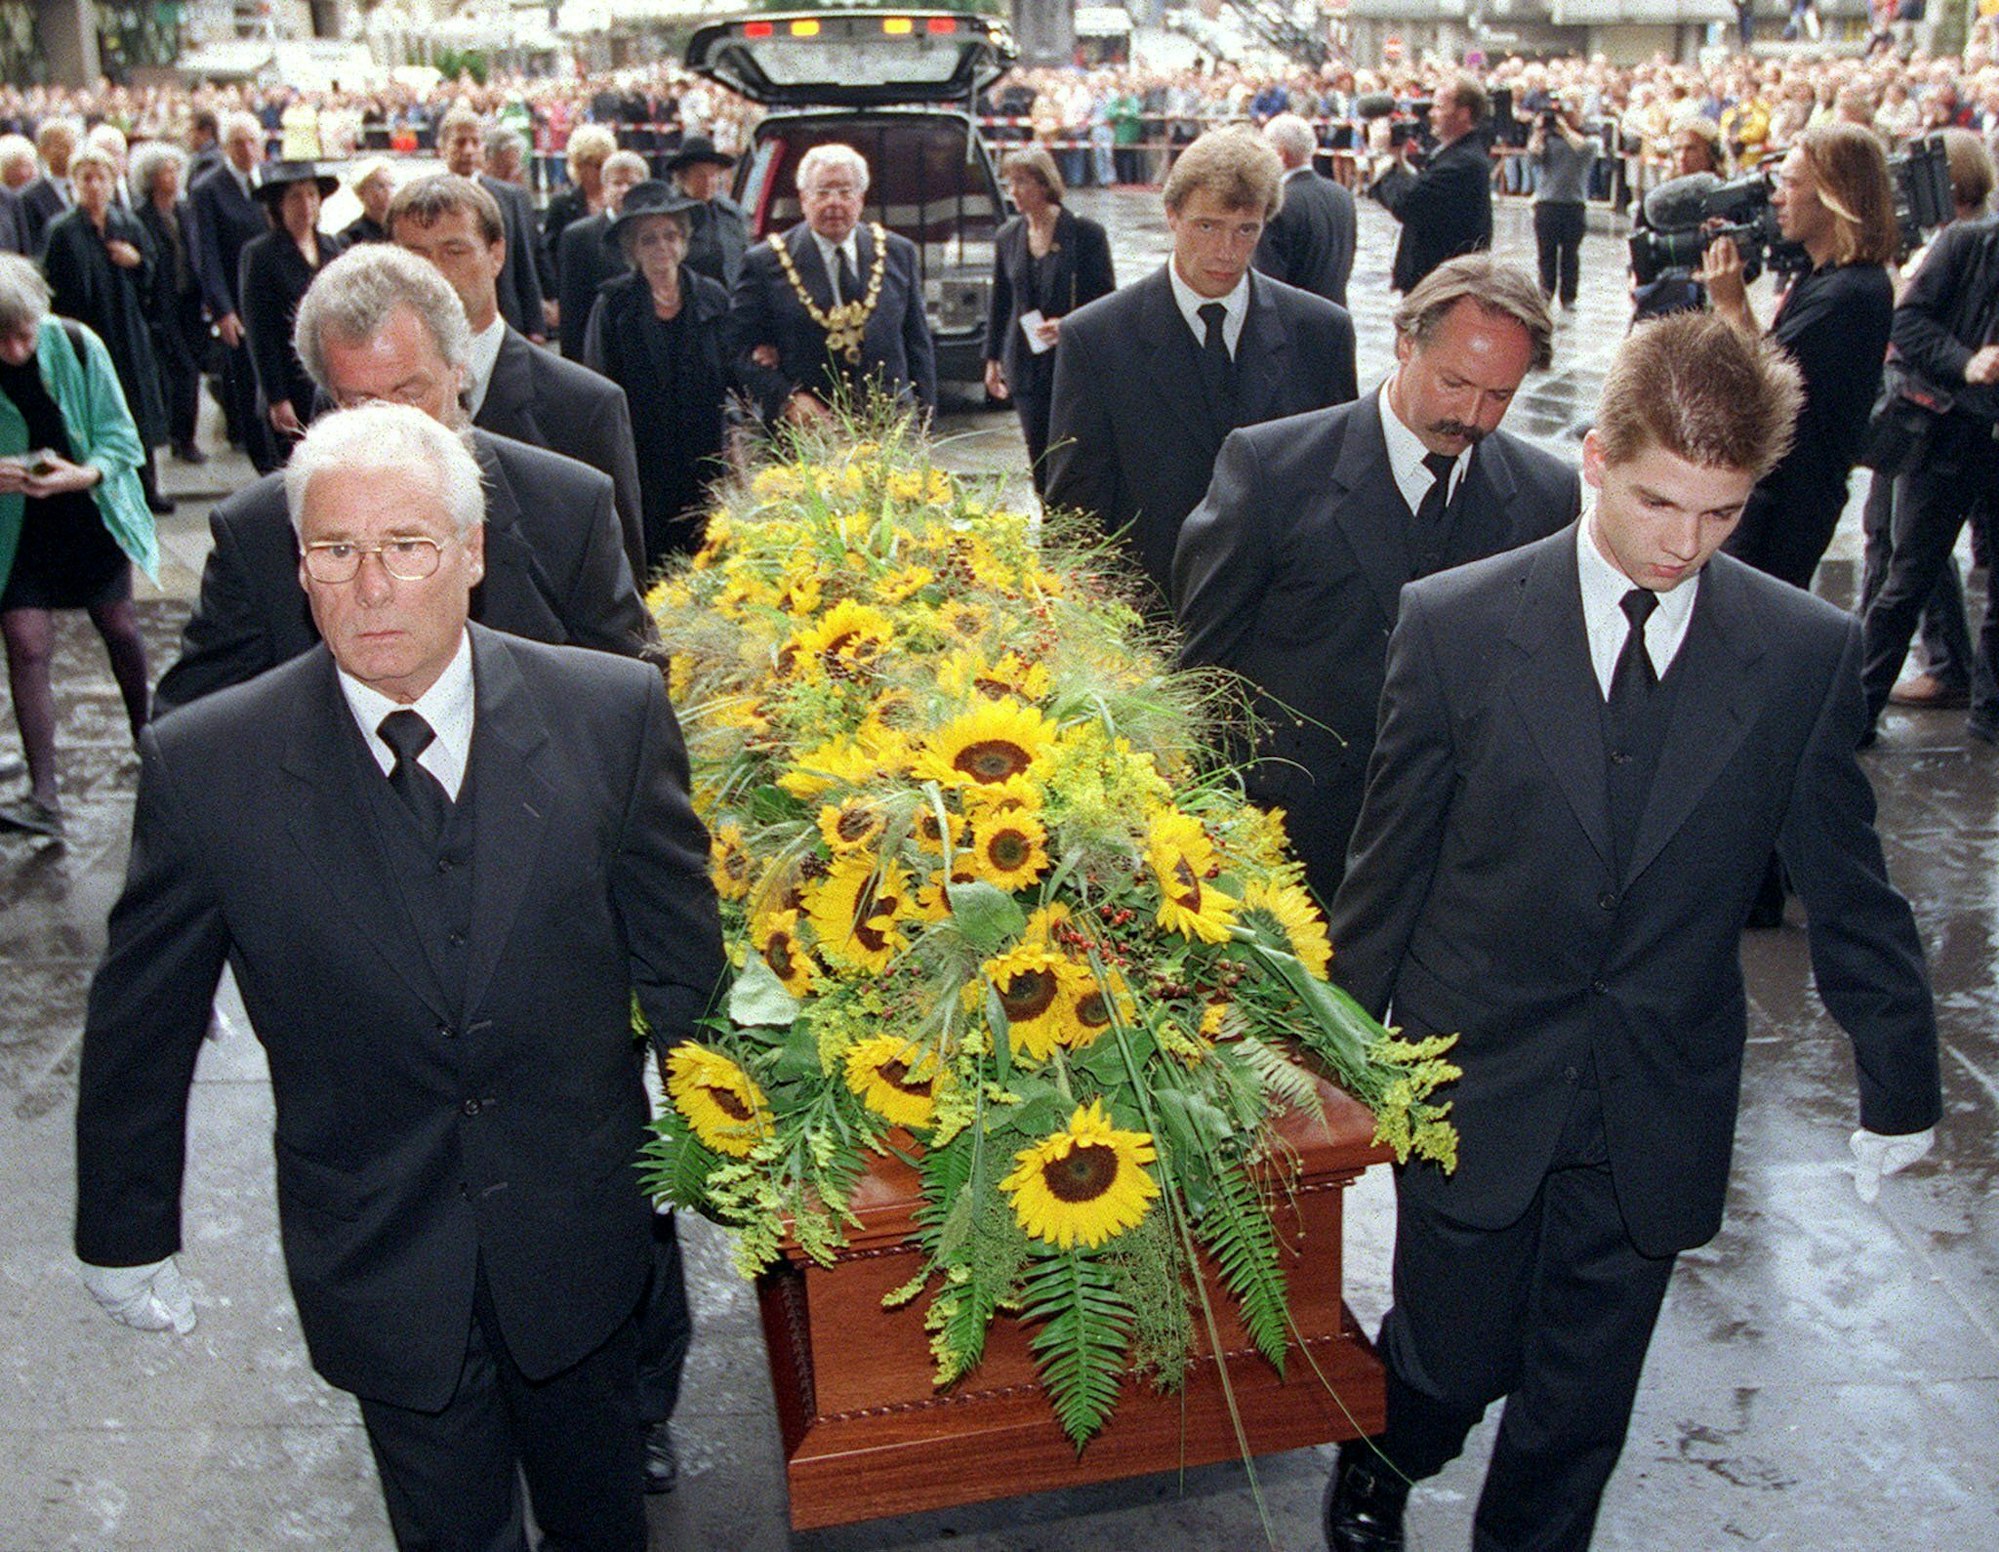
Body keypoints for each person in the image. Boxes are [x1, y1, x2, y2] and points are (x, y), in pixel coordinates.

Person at [1321, 310, 1941, 1552]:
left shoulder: (1799, 651)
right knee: (1452, 1352)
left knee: (1581, 1401)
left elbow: (1849, 882)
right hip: (1473, 1073)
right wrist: (1319, 1058)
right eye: (1661, 504)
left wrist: (1900, 1083)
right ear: (1599, 457)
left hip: (1657, 1085)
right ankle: (1389, 1450)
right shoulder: (1453, 623)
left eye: (1721, 515)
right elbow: (1387, 872)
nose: (1684, 545)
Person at [74, 401, 726, 1552]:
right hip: (377, 1246)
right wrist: (126, 1224)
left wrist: (739, 1147)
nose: (372, 586)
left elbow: (682, 962)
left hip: (578, 1235)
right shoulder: (210, 764)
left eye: (408, 546)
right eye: (337, 550)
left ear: (471, 556)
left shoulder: (607, 716)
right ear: (301, 568)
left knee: (601, 1514)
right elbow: (145, 1012)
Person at [1175, 254, 1579, 905]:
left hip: (1448, 860)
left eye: (1499, 396)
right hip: (1283, 846)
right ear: (1403, 342)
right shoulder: (1270, 467)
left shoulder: (1546, 497)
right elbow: (1200, 673)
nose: (1472, 415)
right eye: (1454, 383)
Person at [152, 244, 650, 714]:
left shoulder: (569, 508)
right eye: (358, 403)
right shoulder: (258, 533)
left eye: (410, 394)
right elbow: (189, 731)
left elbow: (631, 700)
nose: (391, 423)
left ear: (459, 371)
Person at [1045, 127, 1357, 603]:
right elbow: (1074, 511)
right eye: (1206, 226)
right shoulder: (1096, 338)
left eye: (1245, 230)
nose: (1225, 251)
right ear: (1172, 215)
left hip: (1280, 621)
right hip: (1150, 621)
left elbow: (1338, 491)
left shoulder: (1320, 332)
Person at [388, 173, 647, 582]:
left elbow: (619, 586)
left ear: (496, 253)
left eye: (454, 251)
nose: (433, 273)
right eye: (415, 255)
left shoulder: (585, 406)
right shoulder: (359, 402)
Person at [1700, 122, 1898, 595]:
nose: (1777, 198)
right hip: (1785, 489)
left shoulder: (1849, 292)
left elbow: (1768, 381)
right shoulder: (1827, 276)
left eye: (1791, 184)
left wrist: (1730, 305)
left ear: (1834, 195)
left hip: (1791, 500)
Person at [0, 256, 156, 839]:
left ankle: (148, 736)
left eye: (23, 334)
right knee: (25, 641)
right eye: (1, 339)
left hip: (87, 513)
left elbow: (121, 437)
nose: (15, 350)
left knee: (117, 623)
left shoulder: (77, 343)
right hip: (16, 528)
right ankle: (44, 793)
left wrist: (83, 474)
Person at [1856, 128, 1996, 714]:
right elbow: (1909, 325)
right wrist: (1969, 363)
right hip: (1947, 431)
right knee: (1905, 573)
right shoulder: (1970, 243)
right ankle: (1854, 708)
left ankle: (1984, 708)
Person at [729, 142, 938, 428]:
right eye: (822, 192)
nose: (834, 202)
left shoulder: (898, 252)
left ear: (861, 198)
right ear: (803, 199)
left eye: (844, 191)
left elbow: (918, 346)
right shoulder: (764, 263)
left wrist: (925, 424)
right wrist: (787, 398)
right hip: (808, 431)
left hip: (891, 426)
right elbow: (737, 351)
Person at [582, 183, 732, 573]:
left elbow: (734, 375)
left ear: (684, 241)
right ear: (633, 249)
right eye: (649, 239)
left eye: (670, 235)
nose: (662, 246)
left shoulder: (713, 297)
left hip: (704, 457)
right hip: (641, 461)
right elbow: (598, 386)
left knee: (707, 557)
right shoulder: (613, 305)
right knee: (651, 560)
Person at [40, 144, 173, 517]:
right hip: (87, 334)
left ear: (113, 183)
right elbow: (49, 284)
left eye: (101, 178)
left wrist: (137, 261)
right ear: (74, 185)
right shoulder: (63, 231)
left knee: (136, 411)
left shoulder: (127, 224)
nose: (94, 186)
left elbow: (153, 273)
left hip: (128, 333)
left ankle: (147, 488)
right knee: (96, 410)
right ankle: (104, 486)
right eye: (86, 178)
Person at [982, 147, 1116, 495]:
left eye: (1021, 182)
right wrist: (992, 359)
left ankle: (1075, 521)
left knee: (1072, 452)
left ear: (1044, 184)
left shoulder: (1086, 234)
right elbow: (1001, 302)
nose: (1013, 192)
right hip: (1025, 363)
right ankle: (1049, 524)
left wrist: (1068, 324)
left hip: (1071, 362)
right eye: (1010, 183)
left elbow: (1106, 300)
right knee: (1037, 452)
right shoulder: (1008, 236)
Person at [238, 161, 345, 458]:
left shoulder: (333, 247)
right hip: (288, 381)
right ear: (279, 205)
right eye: (295, 196)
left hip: (329, 381)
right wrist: (277, 398)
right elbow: (260, 332)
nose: (306, 205)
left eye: (311, 195)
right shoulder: (260, 254)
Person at [190, 113, 277, 473]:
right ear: (225, 147)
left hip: (273, 295)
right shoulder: (208, 189)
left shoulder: (271, 179)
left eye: (252, 141)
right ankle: (261, 459)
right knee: (248, 378)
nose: (246, 149)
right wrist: (222, 309)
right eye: (238, 142)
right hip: (236, 299)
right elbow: (205, 255)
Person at [1373, 75, 1495, 294]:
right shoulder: (1452, 154)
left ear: (1464, 113)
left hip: (1442, 285)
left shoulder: (1463, 162)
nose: (1431, 114)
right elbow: (1419, 187)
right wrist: (1399, 160)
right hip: (1434, 280)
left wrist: (1385, 161)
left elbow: (1407, 204)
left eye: (1439, 107)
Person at [437, 106, 546, 343]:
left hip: (506, 316)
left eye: (475, 142)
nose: (468, 150)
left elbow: (524, 260)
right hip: (450, 322)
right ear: (442, 147)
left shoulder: (510, 197)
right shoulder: (429, 201)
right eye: (460, 142)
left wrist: (535, 323)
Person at [130, 142, 208, 468]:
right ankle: (178, 435)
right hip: (162, 304)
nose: (173, 176)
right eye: (166, 171)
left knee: (191, 368)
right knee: (176, 370)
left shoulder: (185, 210)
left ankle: (185, 436)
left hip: (189, 299)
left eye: (176, 169)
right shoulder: (140, 216)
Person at [1252, 112, 1356, 310]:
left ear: (1280, 154)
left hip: (1292, 321)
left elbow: (1267, 281)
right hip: (1335, 314)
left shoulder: (1277, 203)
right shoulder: (1342, 194)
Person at [557, 150, 648, 360]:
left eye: (632, 184)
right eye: (617, 183)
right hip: (601, 350)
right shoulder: (578, 236)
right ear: (604, 187)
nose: (624, 190)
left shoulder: (657, 235)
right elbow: (572, 311)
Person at [1529, 94, 1599, 312]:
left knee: (1570, 255)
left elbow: (1586, 151)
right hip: (1548, 202)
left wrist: (1565, 130)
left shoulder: (1587, 136)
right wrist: (1539, 132)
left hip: (1573, 203)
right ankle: (1545, 293)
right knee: (1546, 254)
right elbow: (1533, 159)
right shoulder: (1547, 138)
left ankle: (1569, 296)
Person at [666, 134, 749, 291]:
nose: (708, 181)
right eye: (700, 175)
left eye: (713, 174)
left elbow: (745, 258)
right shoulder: (670, 215)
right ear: (683, 177)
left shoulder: (731, 213)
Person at [541, 123, 616, 294]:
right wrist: (553, 295)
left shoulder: (618, 200)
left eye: (605, 163)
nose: (600, 171)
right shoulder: (562, 203)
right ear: (579, 166)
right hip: (576, 287)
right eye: (595, 165)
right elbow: (549, 253)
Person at [19, 118, 79, 253]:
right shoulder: (29, 197)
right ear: (43, 150)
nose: (69, 151)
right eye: (62, 146)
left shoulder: (87, 188)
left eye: (72, 144)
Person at [337, 156, 396, 246]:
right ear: (361, 192)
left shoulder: (403, 230)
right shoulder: (351, 236)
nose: (388, 192)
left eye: (392, 185)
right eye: (380, 186)